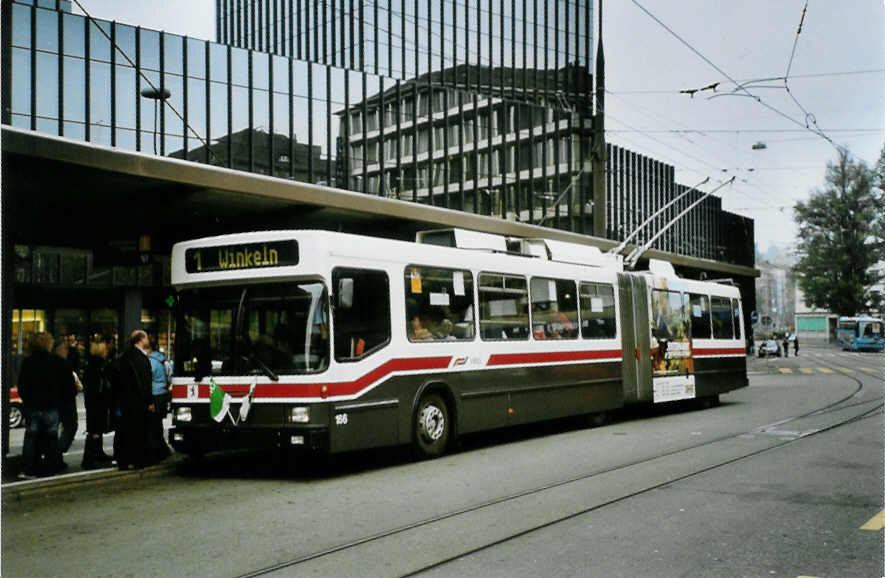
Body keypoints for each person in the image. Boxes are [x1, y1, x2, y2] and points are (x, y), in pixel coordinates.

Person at [16, 332, 64, 478]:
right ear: (48, 343)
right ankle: (50, 468)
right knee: (51, 437)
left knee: (31, 437)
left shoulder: (28, 361)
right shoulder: (54, 360)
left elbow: (22, 385)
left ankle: (28, 468)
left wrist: (28, 400)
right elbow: (61, 384)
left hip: (33, 405)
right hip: (50, 405)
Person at [112, 329, 155, 470]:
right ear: (141, 340)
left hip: (124, 399)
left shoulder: (124, 356)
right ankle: (139, 459)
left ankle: (123, 460)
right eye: (146, 338)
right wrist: (150, 401)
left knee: (125, 431)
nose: (148, 340)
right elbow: (146, 382)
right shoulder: (141, 359)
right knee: (139, 431)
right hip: (139, 400)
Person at [82, 340, 113, 469]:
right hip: (98, 402)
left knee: (95, 429)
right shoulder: (99, 366)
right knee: (95, 430)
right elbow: (102, 385)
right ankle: (90, 458)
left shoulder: (91, 365)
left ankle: (97, 453)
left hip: (92, 401)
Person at [55, 337, 80, 471]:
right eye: (64, 348)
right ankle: (58, 452)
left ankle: (55, 456)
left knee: (53, 430)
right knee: (71, 426)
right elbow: (70, 385)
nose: (66, 351)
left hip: (55, 401)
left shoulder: (52, 363)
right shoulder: (64, 365)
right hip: (65, 401)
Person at [148, 339, 172, 463]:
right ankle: (162, 448)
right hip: (163, 394)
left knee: (152, 424)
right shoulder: (163, 360)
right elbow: (170, 376)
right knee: (158, 423)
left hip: (154, 394)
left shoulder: (149, 361)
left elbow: (147, 379)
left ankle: (156, 450)